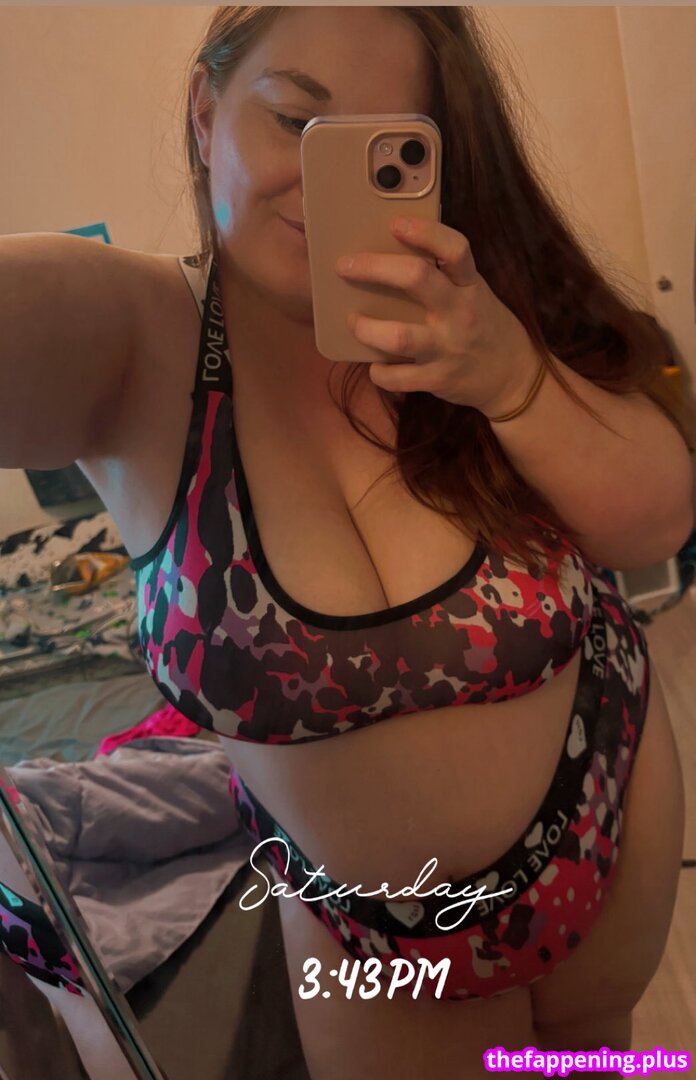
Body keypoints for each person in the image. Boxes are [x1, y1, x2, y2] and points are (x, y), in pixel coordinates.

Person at [1, 6, 695, 1078]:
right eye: (295, 122)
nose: (320, 181)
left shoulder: (477, 298)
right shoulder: (131, 338)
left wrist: (510, 377)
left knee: (600, 1067)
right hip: (375, 942)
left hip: (606, 795)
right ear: (206, 113)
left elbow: (658, 520)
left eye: (390, 146)